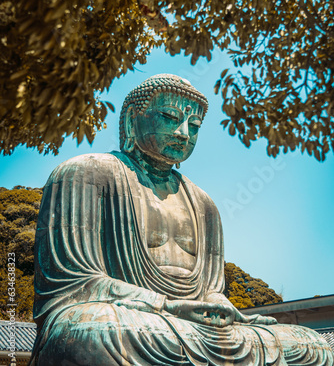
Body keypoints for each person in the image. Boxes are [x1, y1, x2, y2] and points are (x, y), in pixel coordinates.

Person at [29, 74, 333, 366]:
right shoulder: (86, 174)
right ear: (132, 119)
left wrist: (220, 307)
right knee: (92, 334)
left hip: (191, 328)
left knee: (311, 345)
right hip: (128, 318)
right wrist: (164, 305)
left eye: (195, 125)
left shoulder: (204, 204)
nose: (183, 133)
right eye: (171, 118)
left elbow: (210, 290)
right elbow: (75, 284)